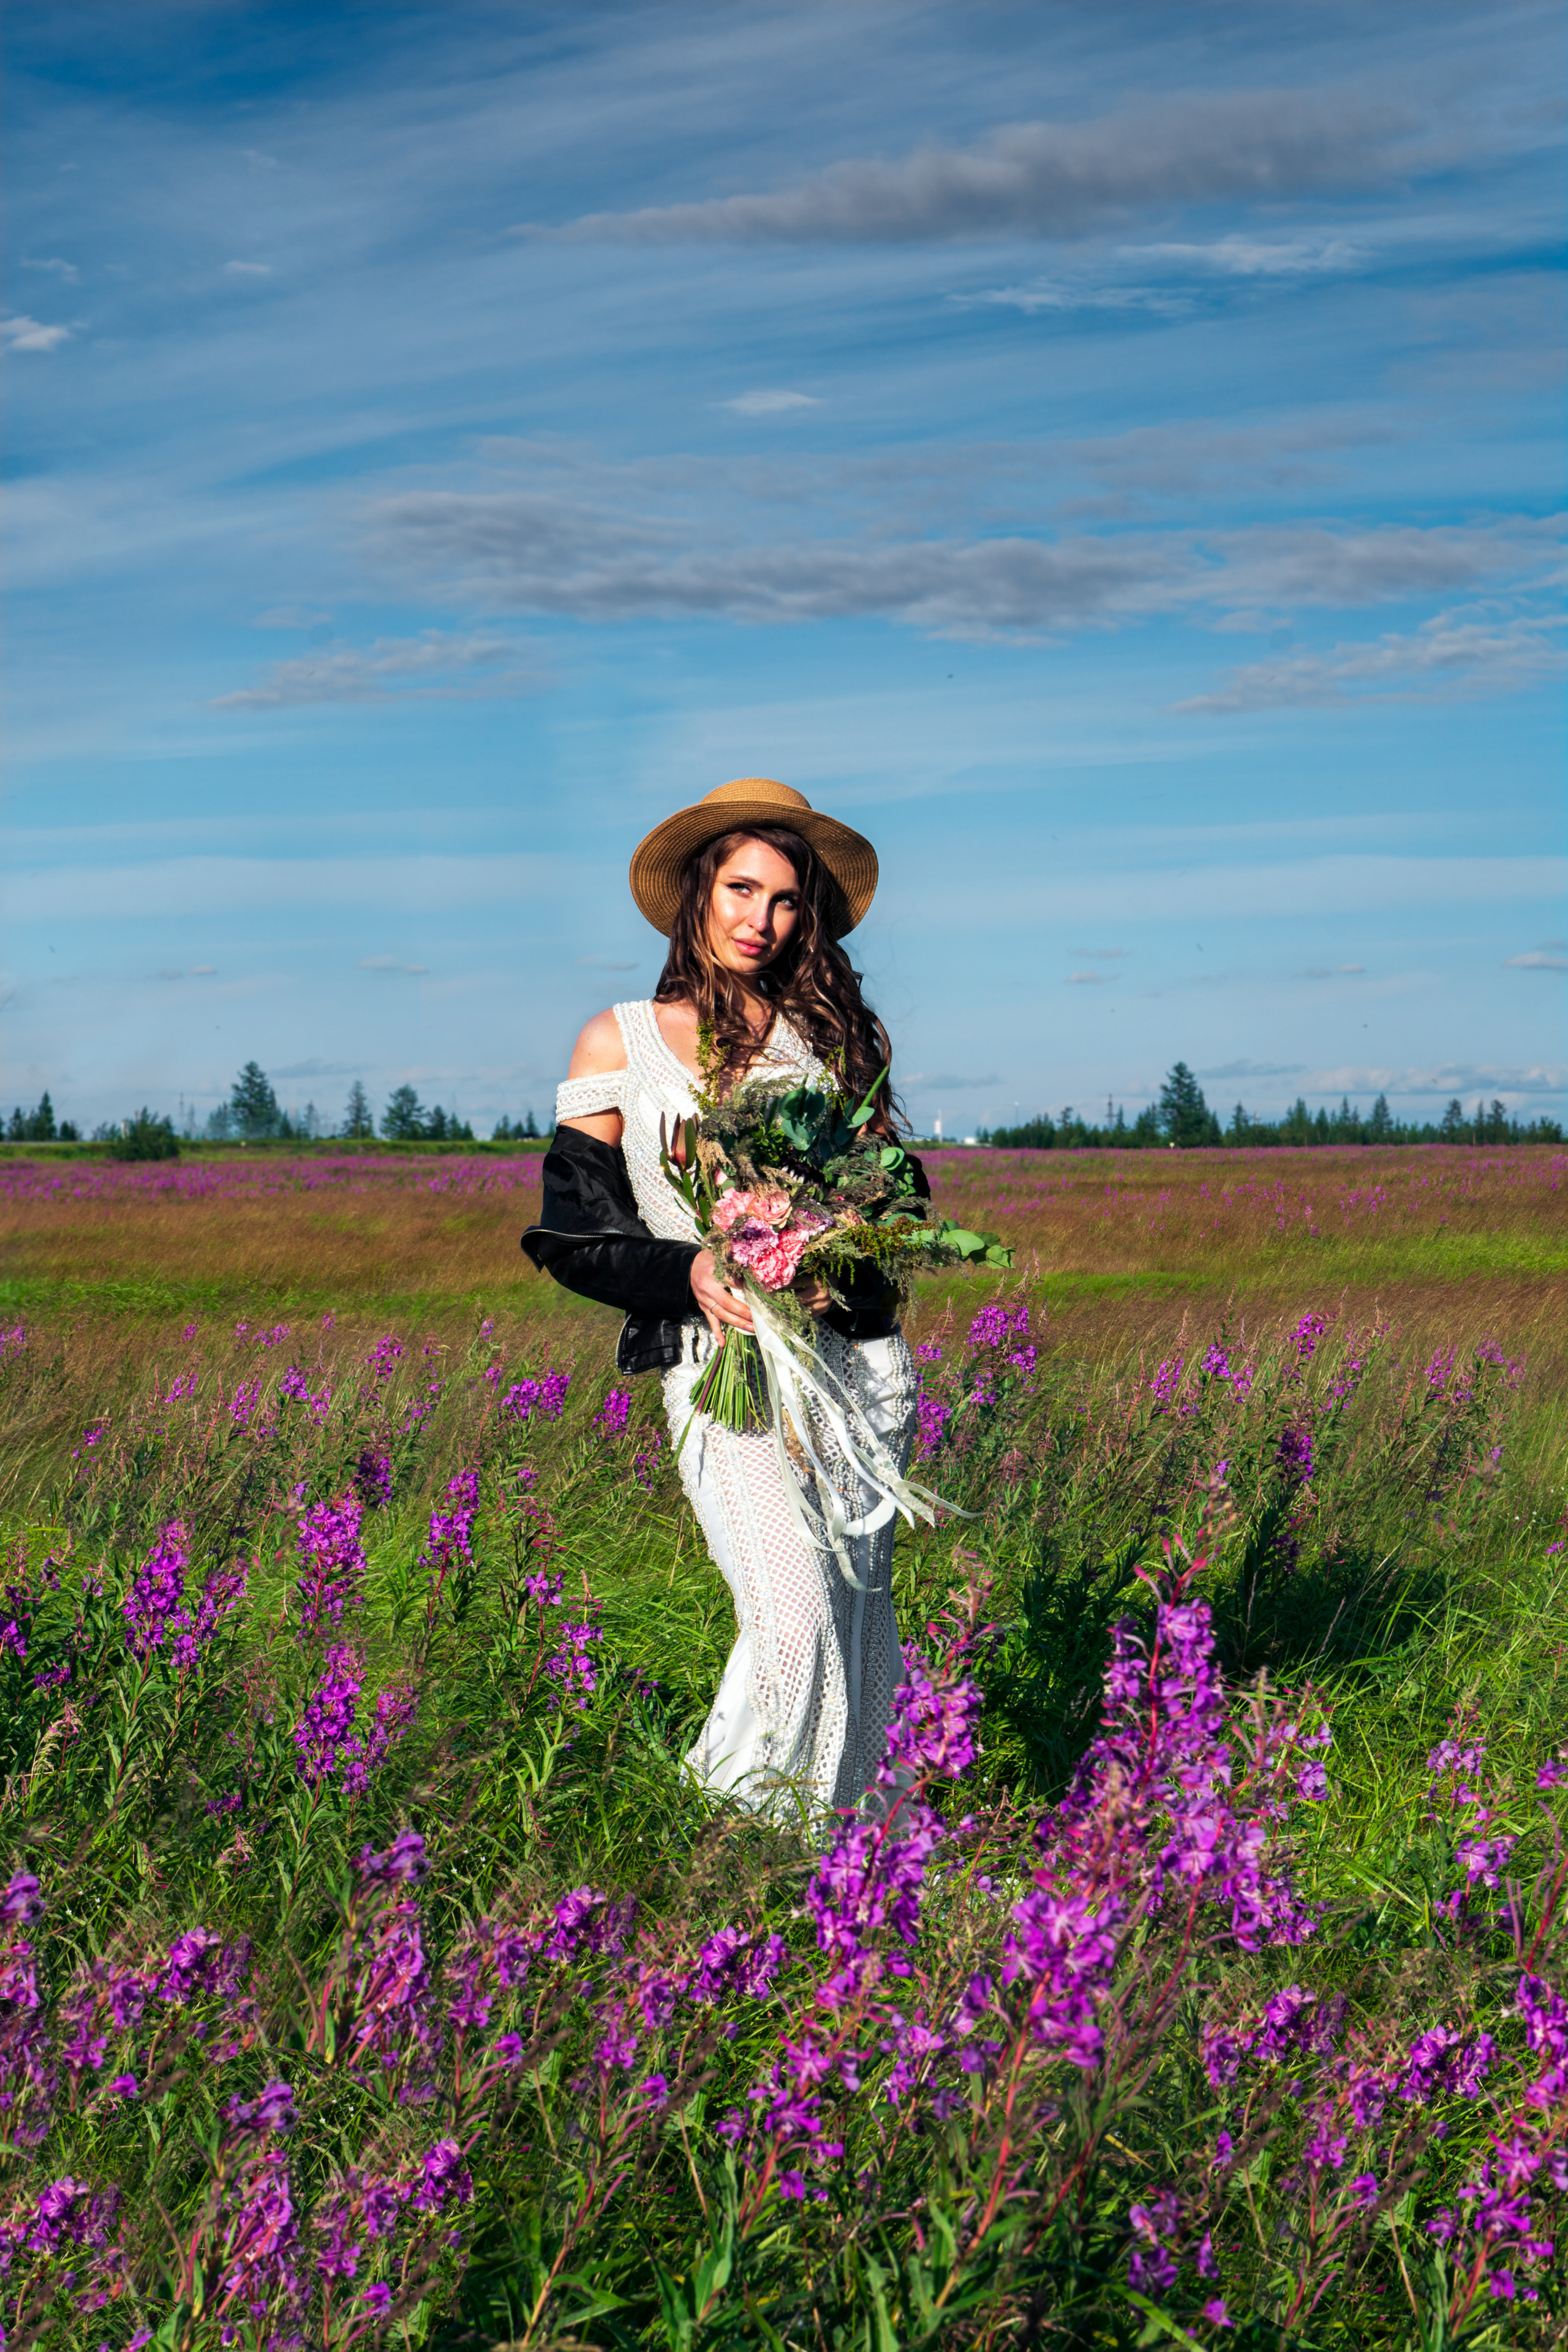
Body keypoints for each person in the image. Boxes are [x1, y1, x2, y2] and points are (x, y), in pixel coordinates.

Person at [522, 777, 923, 1820]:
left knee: (854, 1625)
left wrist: (836, 1244)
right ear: (700, 893)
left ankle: (843, 1859)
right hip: (720, 1375)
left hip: (846, 1375)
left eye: (788, 900)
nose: (763, 919)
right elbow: (575, 1237)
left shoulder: (832, 1043)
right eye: (743, 890)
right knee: (791, 1628)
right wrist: (694, 1271)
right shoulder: (622, 1041)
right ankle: (732, 1847)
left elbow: (900, 1205)